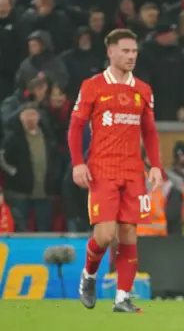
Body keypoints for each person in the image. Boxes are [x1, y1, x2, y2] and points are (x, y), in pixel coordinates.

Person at [67, 29, 163, 313]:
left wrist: (155, 165)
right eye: (125, 51)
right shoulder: (92, 86)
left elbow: (150, 132)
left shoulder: (143, 89)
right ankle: (89, 274)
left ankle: (122, 298)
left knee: (129, 233)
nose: (131, 56)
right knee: (106, 234)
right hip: (102, 169)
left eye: (134, 52)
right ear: (110, 52)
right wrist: (77, 163)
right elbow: (75, 128)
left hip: (133, 170)